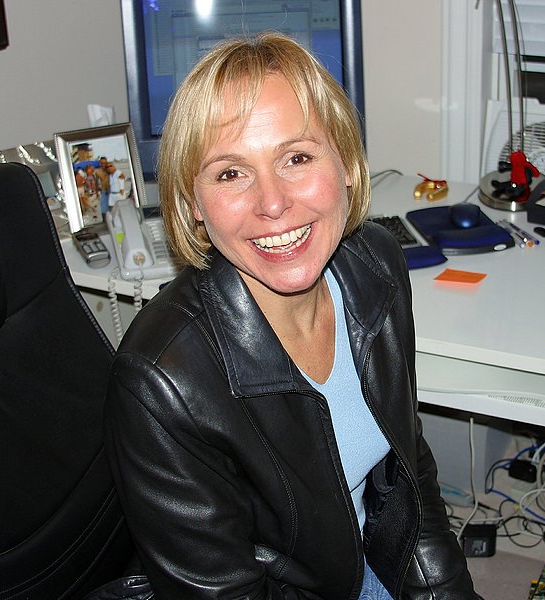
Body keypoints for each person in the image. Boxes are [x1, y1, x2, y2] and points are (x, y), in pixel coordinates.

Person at [104, 32, 481, 598]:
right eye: (231, 173)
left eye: (297, 158)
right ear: (192, 205)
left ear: (347, 164)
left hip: (368, 558)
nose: (273, 203)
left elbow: (408, 476)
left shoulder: (375, 268)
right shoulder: (161, 383)